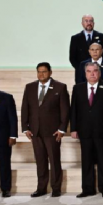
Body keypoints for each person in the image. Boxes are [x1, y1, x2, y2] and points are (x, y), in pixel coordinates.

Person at [71, 63, 103, 198]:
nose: (92, 74)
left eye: (95, 71)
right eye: (89, 71)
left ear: (99, 73)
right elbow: (73, 110)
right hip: (84, 130)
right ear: (85, 73)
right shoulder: (78, 88)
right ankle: (88, 188)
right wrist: (73, 128)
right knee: (86, 160)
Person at [21, 63, 70, 197]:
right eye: (39, 72)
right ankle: (41, 188)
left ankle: (56, 188)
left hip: (53, 132)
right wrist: (25, 128)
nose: (41, 74)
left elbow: (65, 110)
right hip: (35, 132)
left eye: (44, 71)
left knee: (54, 161)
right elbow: (25, 108)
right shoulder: (30, 87)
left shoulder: (60, 87)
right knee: (40, 161)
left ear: (50, 72)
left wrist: (62, 129)